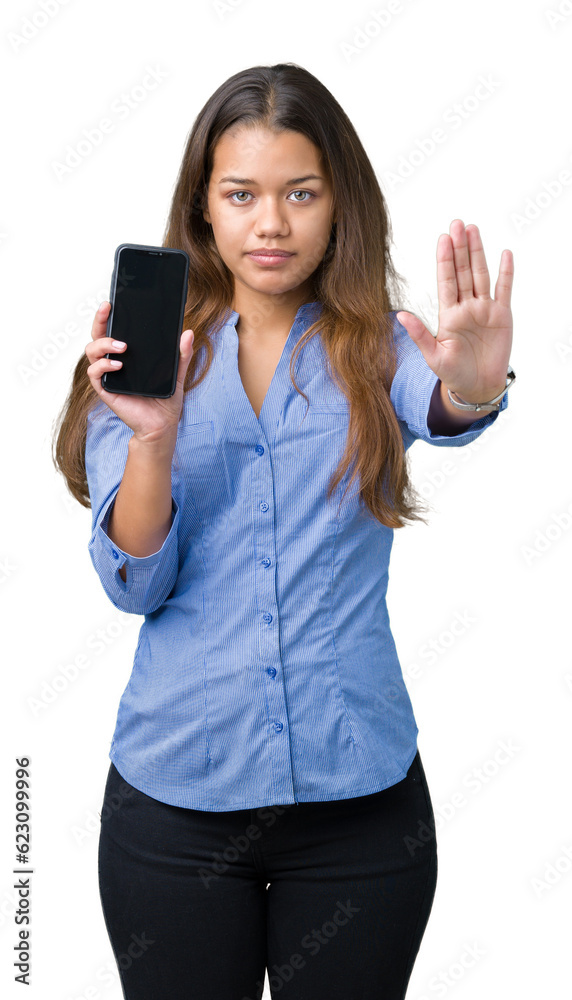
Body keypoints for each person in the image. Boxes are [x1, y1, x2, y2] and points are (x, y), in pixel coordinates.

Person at [53, 63, 514, 1000]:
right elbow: (134, 582)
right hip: (176, 808)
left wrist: (474, 383)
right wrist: (153, 437)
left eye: (300, 193)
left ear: (338, 201)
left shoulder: (379, 346)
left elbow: (446, 403)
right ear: (204, 207)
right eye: (242, 194)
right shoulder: (138, 361)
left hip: (362, 812)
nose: (272, 223)